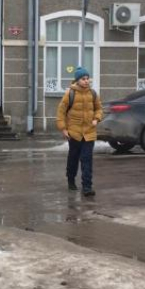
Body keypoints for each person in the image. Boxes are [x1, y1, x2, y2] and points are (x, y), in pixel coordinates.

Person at [56, 66, 103, 197]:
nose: (86, 81)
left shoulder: (93, 94)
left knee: (87, 159)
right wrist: (63, 129)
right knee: (73, 158)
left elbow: (99, 109)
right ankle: (71, 179)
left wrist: (96, 119)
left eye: (88, 78)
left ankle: (87, 187)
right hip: (74, 133)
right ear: (77, 80)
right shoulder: (70, 93)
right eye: (83, 79)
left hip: (89, 133)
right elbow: (61, 112)